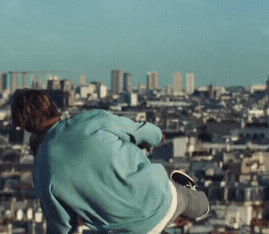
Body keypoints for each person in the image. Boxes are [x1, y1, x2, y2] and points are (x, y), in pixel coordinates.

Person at [11, 89, 209, 233]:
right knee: (190, 200)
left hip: (125, 230)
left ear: (25, 127)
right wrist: (158, 136)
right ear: (53, 107)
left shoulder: (41, 170)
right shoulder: (91, 121)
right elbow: (144, 132)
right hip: (160, 199)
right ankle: (199, 203)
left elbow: (61, 226)